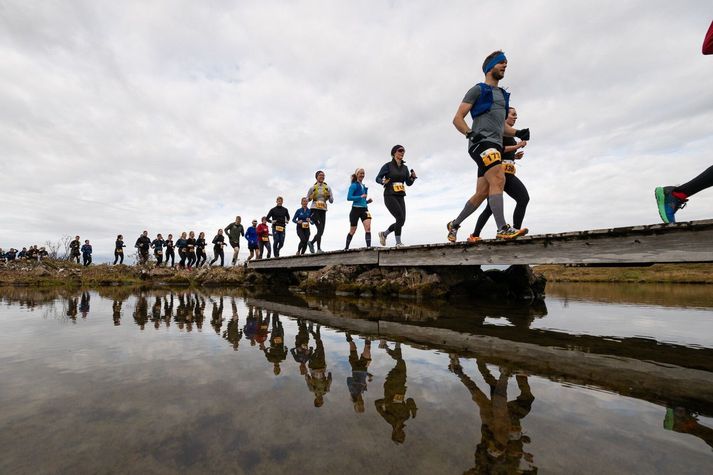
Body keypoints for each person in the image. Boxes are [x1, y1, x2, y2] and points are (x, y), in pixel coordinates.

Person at [447, 50, 530, 242]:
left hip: (494, 144)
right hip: (480, 143)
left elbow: (501, 127)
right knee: (499, 178)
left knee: (482, 193)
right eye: (501, 63)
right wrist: (470, 133)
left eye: (506, 65)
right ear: (489, 67)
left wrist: (517, 133)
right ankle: (502, 228)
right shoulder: (478, 90)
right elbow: (457, 119)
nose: (504, 67)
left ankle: (454, 224)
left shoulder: (502, 95)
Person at [471, 107, 530, 241]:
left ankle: (475, 235)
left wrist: (515, 156)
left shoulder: (508, 133)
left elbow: (505, 153)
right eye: (513, 115)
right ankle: (514, 230)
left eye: (516, 115)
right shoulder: (499, 131)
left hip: (506, 170)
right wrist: (517, 146)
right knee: (523, 198)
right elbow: (498, 150)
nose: (516, 117)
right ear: (504, 116)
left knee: (491, 208)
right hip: (499, 172)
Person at [375, 145, 417, 247]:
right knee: (399, 217)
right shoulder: (388, 166)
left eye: (404, 151)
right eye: (400, 151)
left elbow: (408, 183)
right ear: (394, 152)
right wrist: (382, 181)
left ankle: (384, 234)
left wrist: (412, 178)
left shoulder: (405, 168)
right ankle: (398, 242)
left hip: (400, 195)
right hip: (389, 195)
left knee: (401, 221)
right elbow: (377, 178)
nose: (402, 152)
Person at [346, 168, 373, 250]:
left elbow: (362, 200)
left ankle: (368, 247)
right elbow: (349, 197)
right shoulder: (353, 185)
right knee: (352, 231)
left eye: (363, 173)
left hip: (364, 209)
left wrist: (367, 201)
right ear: (357, 175)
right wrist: (360, 196)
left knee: (368, 228)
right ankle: (346, 247)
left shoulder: (364, 186)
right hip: (355, 210)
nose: (362, 175)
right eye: (360, 173)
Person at [306, 170, 334, 253]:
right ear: (316, 177)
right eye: (320, 175)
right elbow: (306, 199)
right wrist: (310, 197)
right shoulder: (312, 188)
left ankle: (312, 243)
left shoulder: (327, 187)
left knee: (321, 231)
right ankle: (318, 248)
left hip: (323, 210)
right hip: (315, 210)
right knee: (320, 229)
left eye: (323, 175)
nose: (322, 177)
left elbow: (332, 201)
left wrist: (329, 197)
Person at [346, 333, 372, 413]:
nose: (362, 403)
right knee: (367, 353)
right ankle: (367, 339)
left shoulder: (353, 392)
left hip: (355, 369)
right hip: (363, 370)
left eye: (359, 406)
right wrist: (369, 376)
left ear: (356, 404)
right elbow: (362, 379)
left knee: (353, 350)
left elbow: (349, 379)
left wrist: (359, 383)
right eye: (362, 405)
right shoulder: (362, 391)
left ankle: (349, 337)